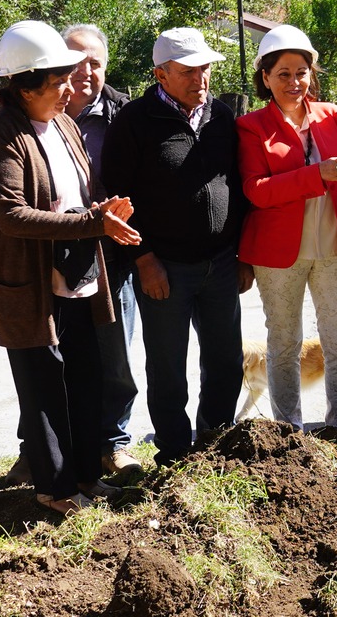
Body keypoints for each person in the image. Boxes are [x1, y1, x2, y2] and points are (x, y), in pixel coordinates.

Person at [0, 21, 139, 514]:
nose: (71, 89)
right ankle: (56, 489)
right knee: (45, 388)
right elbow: (11, 214)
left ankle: (87, 475)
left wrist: (99, 212)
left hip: (79, 275)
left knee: (85, 378)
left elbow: (75, 195)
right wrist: (93, 223)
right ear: (24, 87)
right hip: (30, 285)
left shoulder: (63, 122)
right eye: (58, 82)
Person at [101, 28, 249, 464]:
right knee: (167, 367)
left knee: (225, 361)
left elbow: (236, 188)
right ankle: (174, 453)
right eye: (188, 70)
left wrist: (242, 254)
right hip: (164, 266)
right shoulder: (133, 122)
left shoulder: (221, 117)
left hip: (221, 264)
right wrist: (144, 260)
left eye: (204, 68)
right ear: (160, 74)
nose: (200, 78)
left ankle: (215, 447)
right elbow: (118, 195)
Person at [237, 25, 337, 427]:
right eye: (283, 73)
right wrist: (316, 175)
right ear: (265, 77)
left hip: (334, 249)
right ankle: (288, 433)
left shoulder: (331, 115)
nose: (294, 82)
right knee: (284, 346)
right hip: (278, 255)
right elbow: (256, 191)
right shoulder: (251, 126)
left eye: (301, 72)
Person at [63, 23, 141, 480]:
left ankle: (113, 444)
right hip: (53, 255)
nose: (85, 71)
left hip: (112, 258)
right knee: (53, 357)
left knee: (115, 357)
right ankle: (42, 446)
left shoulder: (124, 116)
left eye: (94, 62)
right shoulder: (38, 113)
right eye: (75, 60)